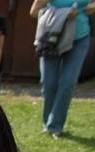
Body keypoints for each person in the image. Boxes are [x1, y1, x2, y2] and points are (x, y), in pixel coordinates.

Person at [30, 0, 95, 139]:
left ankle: (55, 126)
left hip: (80, 39)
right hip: (51, 39)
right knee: (49, 83)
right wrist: (63, 14)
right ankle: (48, 123)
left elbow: (91, 7)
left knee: (68, 82)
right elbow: (34, 12)